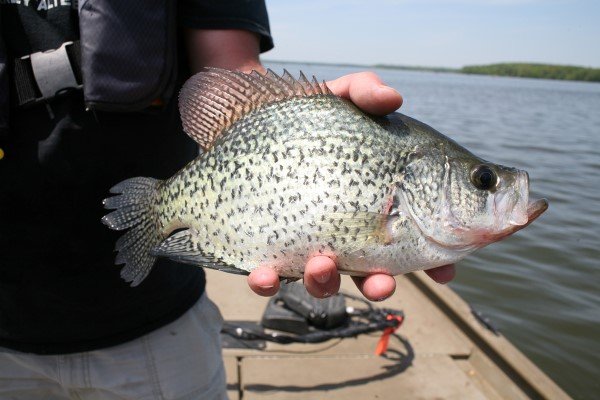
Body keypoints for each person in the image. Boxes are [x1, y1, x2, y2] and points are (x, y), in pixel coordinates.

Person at [0, 1, 454, 399]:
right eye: (483, 182)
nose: (488, 190)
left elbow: (233, 68)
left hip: (154, 321)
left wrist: (298, 119)